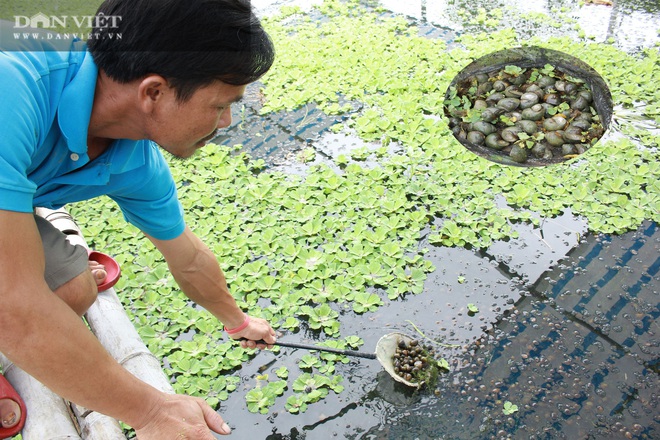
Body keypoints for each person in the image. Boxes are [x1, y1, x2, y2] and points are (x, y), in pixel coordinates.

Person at [0, 0, 277, 438]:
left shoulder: (135, 160)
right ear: (154, 93)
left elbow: (187, 258)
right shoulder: (12, 83)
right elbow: (13, 306)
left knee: (74, 289)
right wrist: (150, 412)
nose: (226, 122)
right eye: (222, 104)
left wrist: (238, 322)